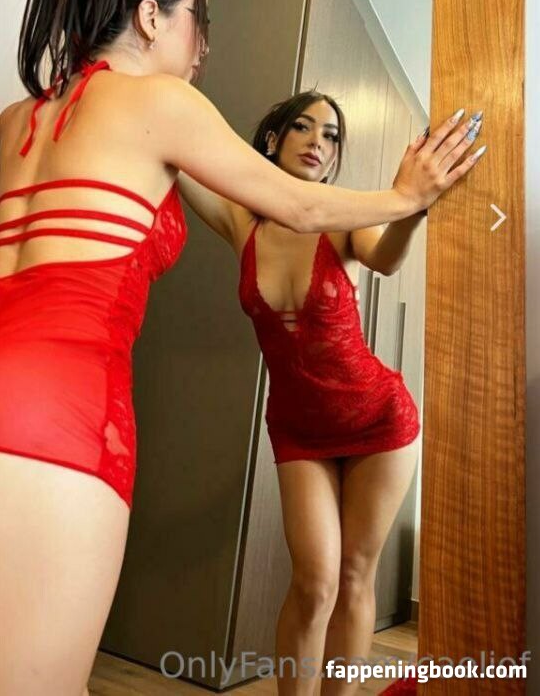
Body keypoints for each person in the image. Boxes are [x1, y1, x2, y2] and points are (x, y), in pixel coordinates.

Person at [0, 0, 485, 695]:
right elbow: (297, 205)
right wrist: (406, 194)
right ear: (149, 17)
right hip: (26, 414)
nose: (202, 46)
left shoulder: (20, 119)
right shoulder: (160, 104)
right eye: (195, 22)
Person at [177, 89, 484, 696]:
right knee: (314, 582)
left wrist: (414, 204)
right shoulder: (241, 219)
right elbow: (181, 154)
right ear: (274, 140)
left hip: (377, 420)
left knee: (353, 574)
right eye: (304, 127)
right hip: (299, 429)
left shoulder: (343, 217)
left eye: (332, 135)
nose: (318, 142)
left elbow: (387, 260)